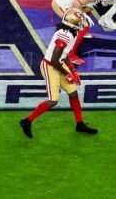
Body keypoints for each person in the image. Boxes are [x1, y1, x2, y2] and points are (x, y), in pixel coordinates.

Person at [19, 8, 98, 138]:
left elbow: (64, 54)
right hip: (50, 66)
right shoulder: (65, 35)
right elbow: (55, 60)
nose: (82, 24)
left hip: (59, 64)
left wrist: (72, 70)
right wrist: (67, 74)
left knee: (73, 93)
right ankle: (27, 121)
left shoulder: (70, 32)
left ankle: (79, 124)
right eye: (79, 22)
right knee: (53, 101)